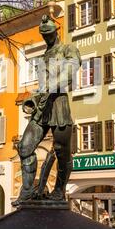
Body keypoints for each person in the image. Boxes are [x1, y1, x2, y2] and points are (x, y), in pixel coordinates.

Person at [12, 15, 81, 206]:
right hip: (42, 107)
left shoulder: (68, 49)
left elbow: (70, 70)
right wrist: (33, 97)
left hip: (59, 104)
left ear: (55, 32)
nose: (47, 38)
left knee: (62, 152)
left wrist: (50, 87)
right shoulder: (44, 56)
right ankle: (26, 192)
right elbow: (41, 85)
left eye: (49, 34)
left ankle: (59, 191)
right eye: (44, 36)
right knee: (25, 147)